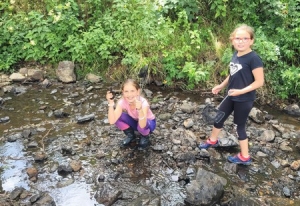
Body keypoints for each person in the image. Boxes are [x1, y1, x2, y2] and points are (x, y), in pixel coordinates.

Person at [198, 24, 264, 165]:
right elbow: (232, 73)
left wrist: (240, 91)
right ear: (232, 40)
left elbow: (259, 82)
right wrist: (221, 85)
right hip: (231, 95)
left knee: (238, 126)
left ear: (251, 41)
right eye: (237, 38)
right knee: (218, 117)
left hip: (244, 99)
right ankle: (213, 140)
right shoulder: (236, 54)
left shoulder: (253, 58)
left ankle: (245, 157)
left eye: (245, 38)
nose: (241, 41)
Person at [106, 79, 156, 148]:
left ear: (138, 92)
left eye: (132, 91)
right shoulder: (122, 102)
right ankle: (131, 136)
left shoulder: (143, 102)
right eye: (126, 91)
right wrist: (111, 103)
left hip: (148, 123)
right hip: (136, 121)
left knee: (141, 125)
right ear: (123, 92)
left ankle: (145, 136)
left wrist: (140, 110)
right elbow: (112, 121)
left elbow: (142, 124)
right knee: (117, 117)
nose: (129, 95)